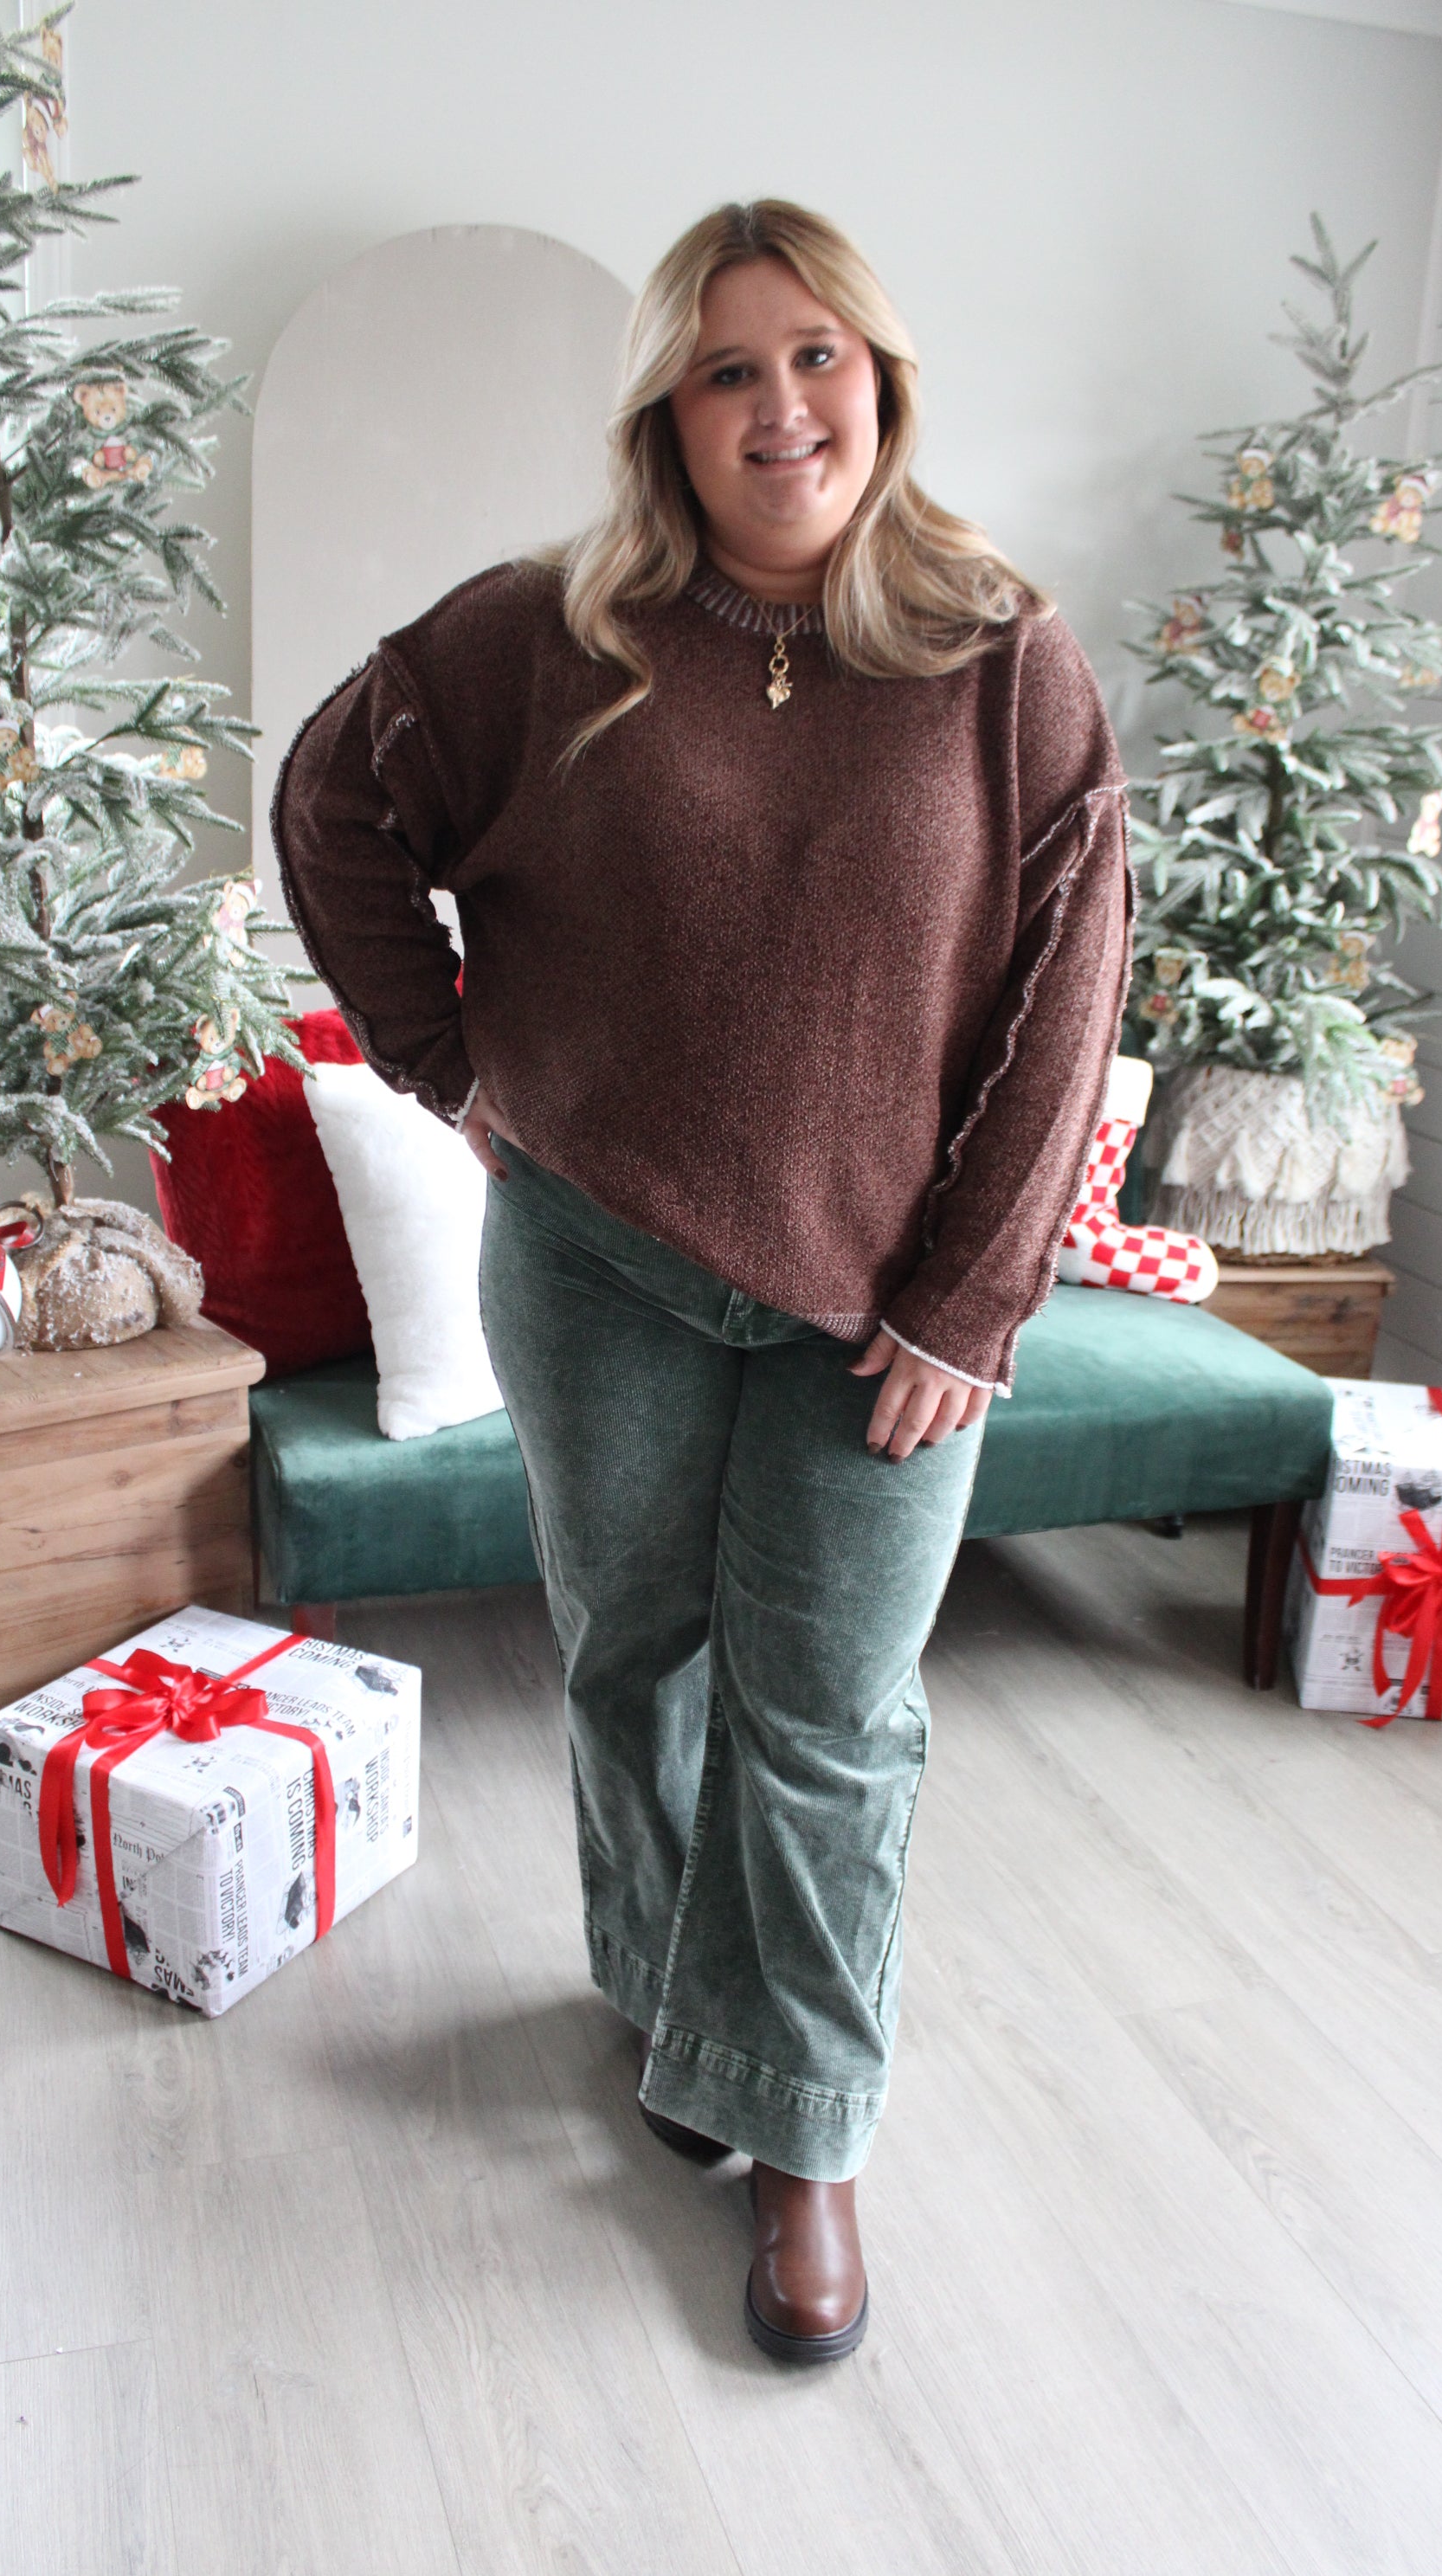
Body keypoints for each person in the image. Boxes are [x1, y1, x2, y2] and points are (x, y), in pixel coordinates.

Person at [274, 199, 1131, 2365]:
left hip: (882, 1307)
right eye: (728, 367)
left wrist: (968, 1304)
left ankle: (806, 2143)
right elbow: (329, 809)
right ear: (667, 406)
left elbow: (1065, 989)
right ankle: (670, 2011)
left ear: (880, 380)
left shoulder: (996, 653)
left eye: (815, 355)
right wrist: (450, 1068)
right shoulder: (543, 635)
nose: (779, 407)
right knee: (631, 1661)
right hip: (596, 1264)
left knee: (828, 1719)